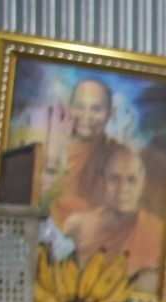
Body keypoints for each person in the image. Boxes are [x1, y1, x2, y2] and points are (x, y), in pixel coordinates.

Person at [59, 144, 164, 291]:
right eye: (114, 179)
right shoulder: (77, 225)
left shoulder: (156, 232)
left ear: (142, 184)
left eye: (131, 180)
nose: (123, 189)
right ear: (102, 181)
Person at [38, 77, 115, 224]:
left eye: (96, 109)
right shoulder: (50, 147)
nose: (86, 116)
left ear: (110, 113)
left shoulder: (117, 155)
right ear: (69, 108)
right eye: (79, 107)